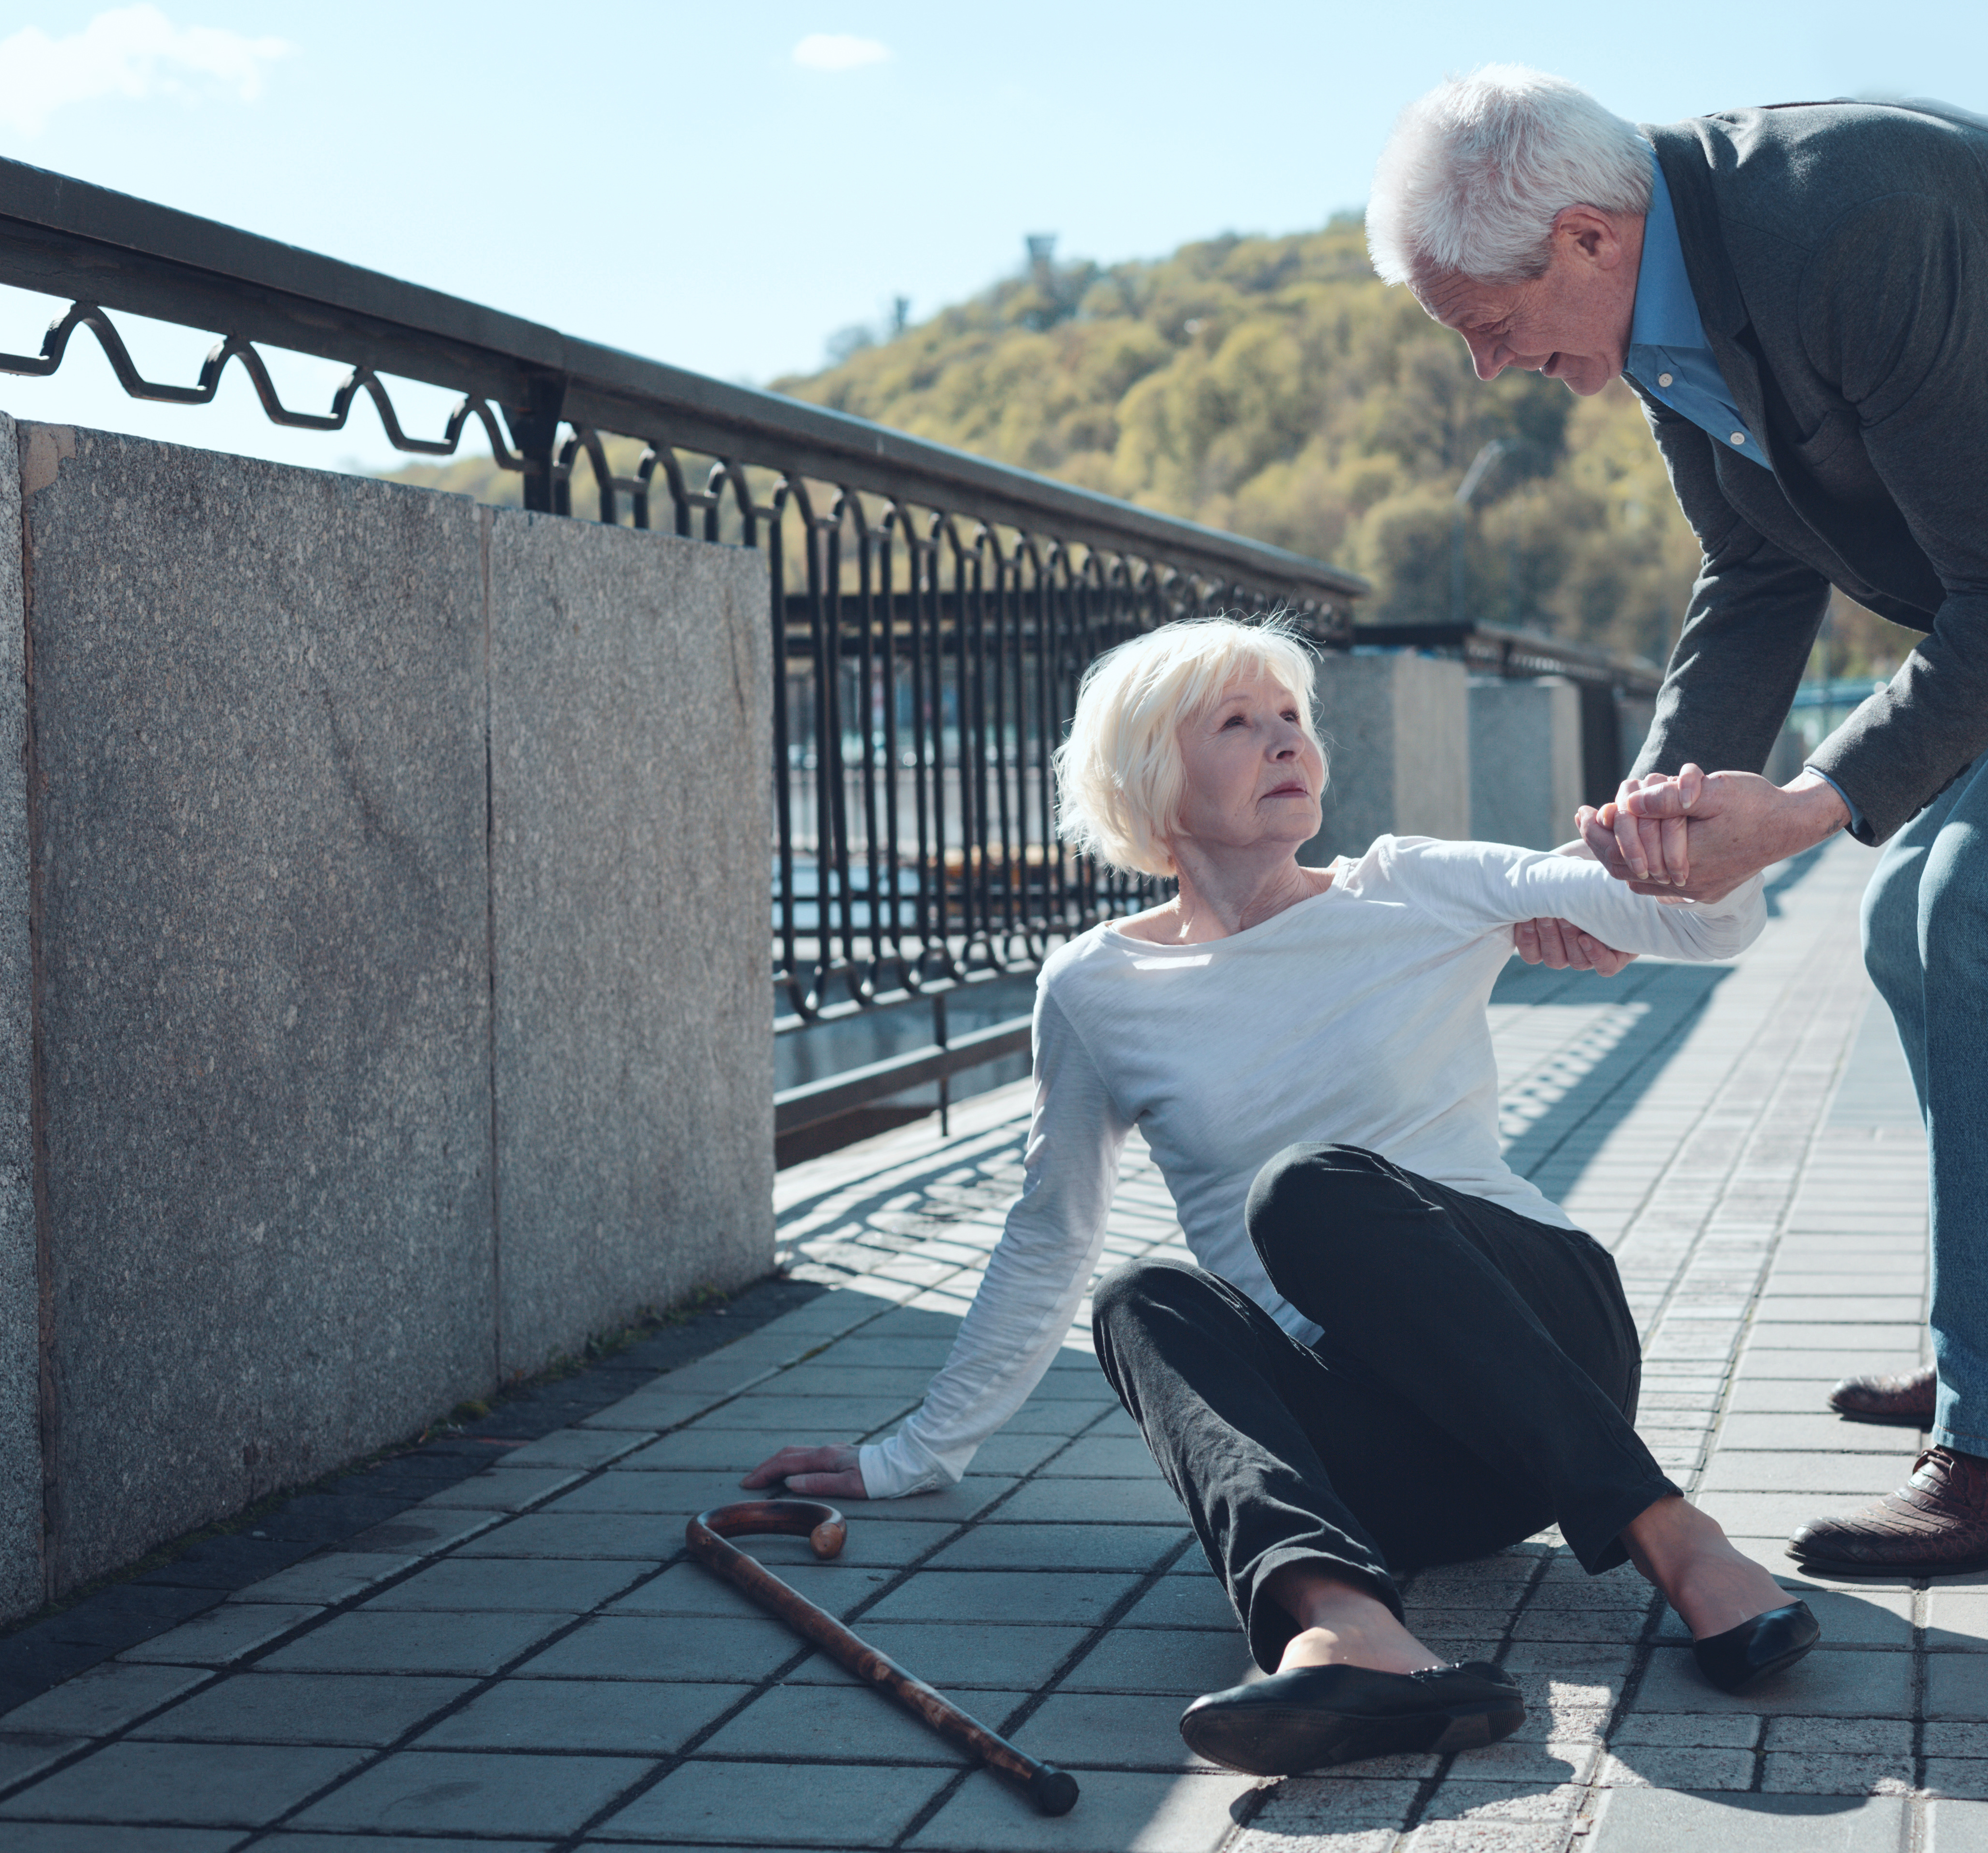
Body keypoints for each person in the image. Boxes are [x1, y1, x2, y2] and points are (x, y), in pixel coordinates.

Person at [1369, 69, 1988, 1576]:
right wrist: (1639, 846)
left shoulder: (1849, 227)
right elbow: (1756, 574)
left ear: (1583, 239)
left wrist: (1795, 814)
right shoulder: (1662, 297)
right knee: (1919, 919)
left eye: (1484, 323)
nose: (1485, 368)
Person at [740, 617, 1818, 1778]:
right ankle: (1346, 1626)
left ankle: (1677, 1539)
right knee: (1140, 1295)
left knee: (1305, 1191)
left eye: (1293, 717)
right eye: (1238, 723)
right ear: (1152, 776)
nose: (1285, 741)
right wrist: (914, 1453)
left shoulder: (1413, 884)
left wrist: (1679, 845)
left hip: (1549, 1349)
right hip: (1412, 1477)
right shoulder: (1099, 987)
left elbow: (1708, 924)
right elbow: (1049, 1229)